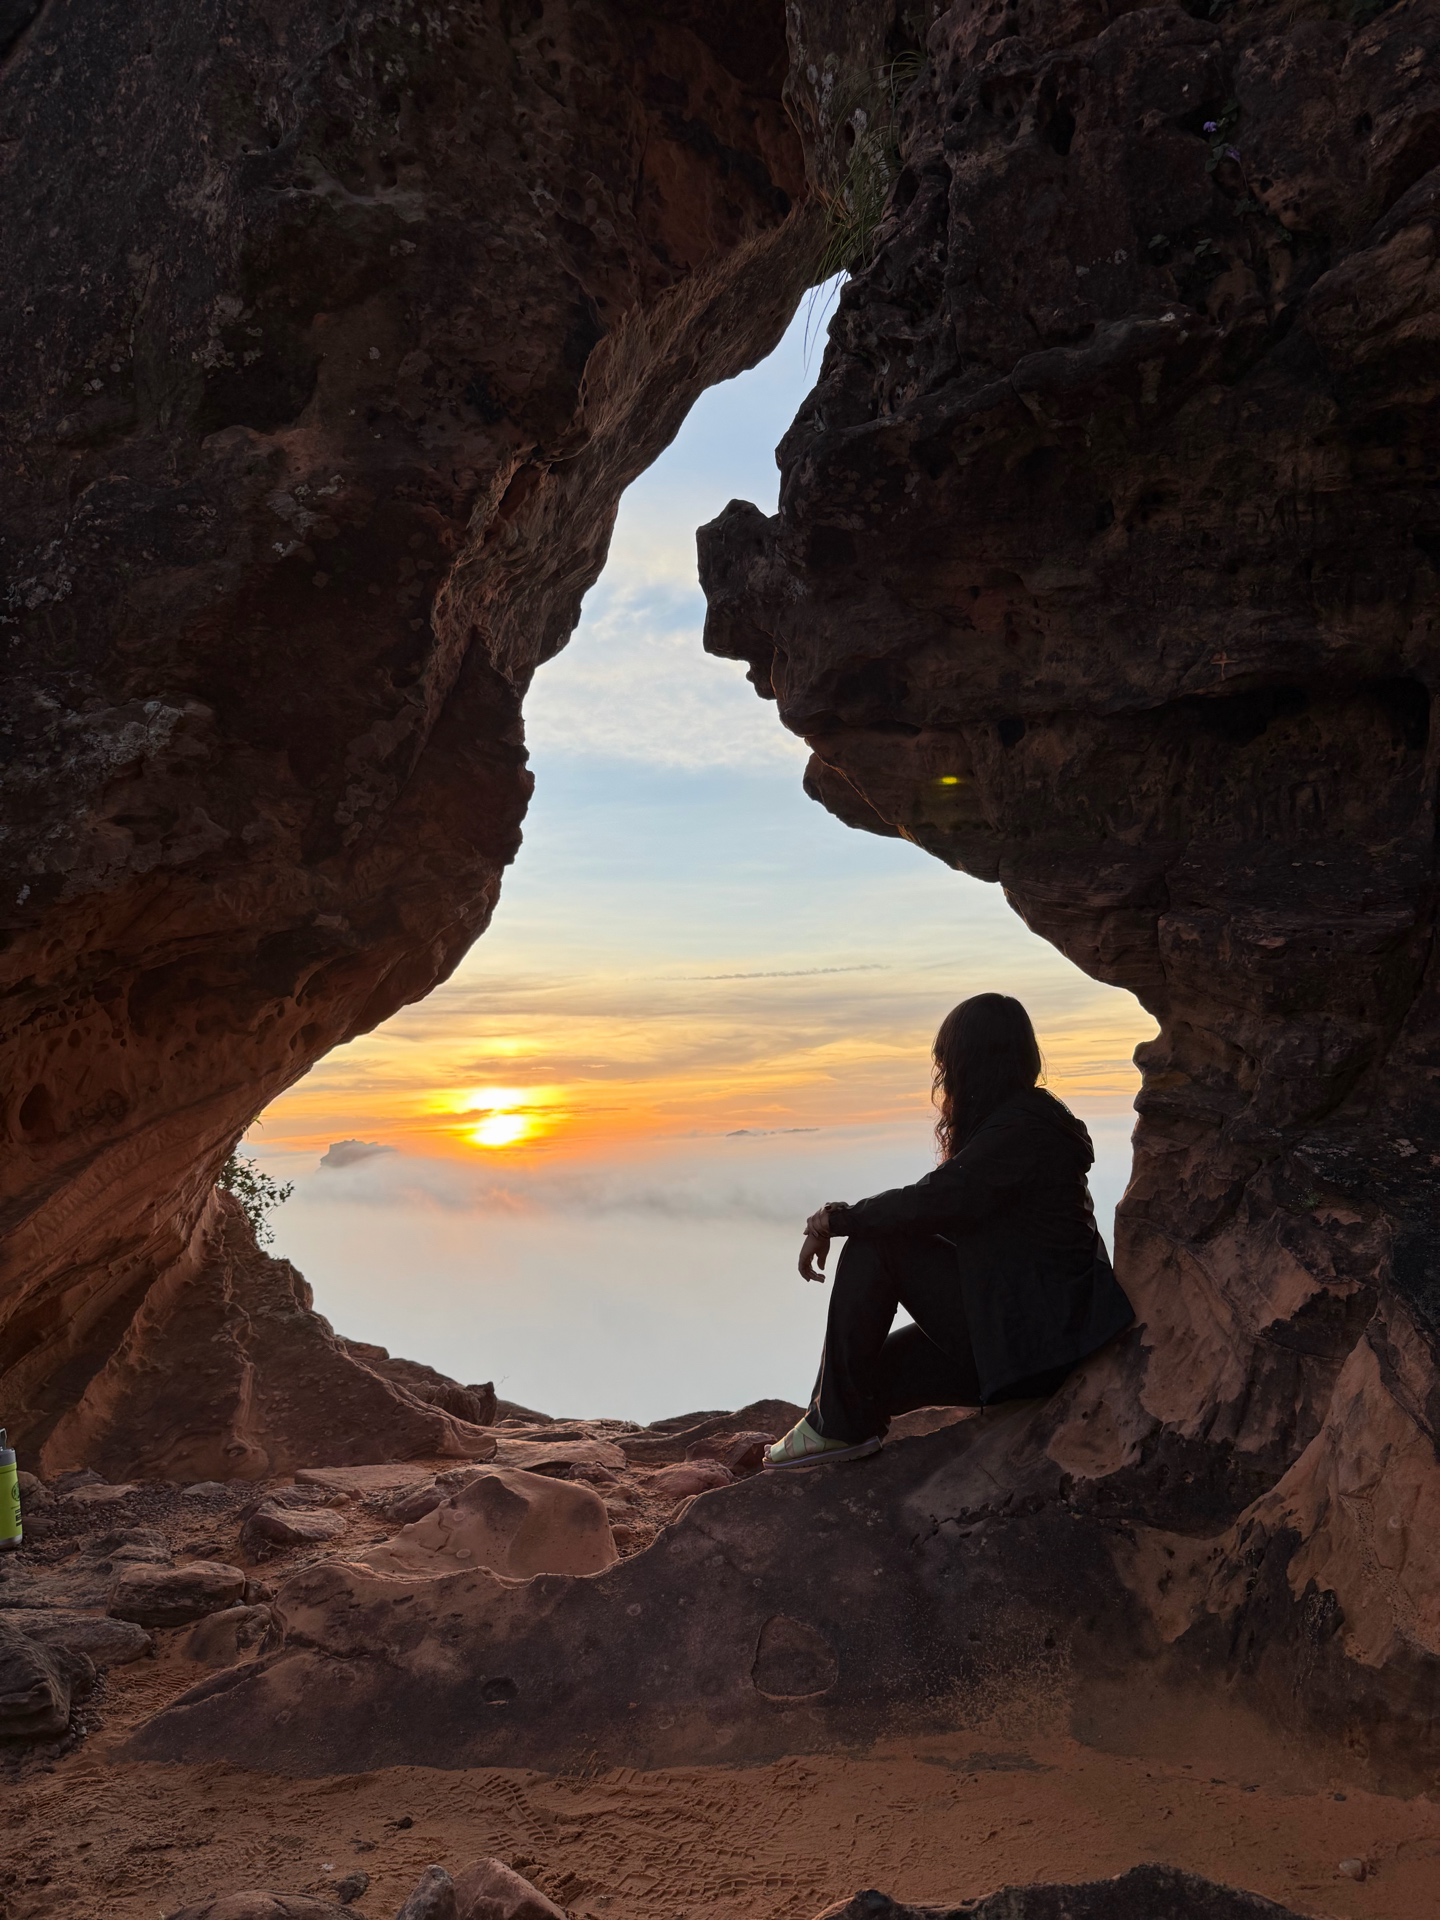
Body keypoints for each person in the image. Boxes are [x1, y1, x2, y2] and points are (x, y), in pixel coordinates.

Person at [764, 993, 1134, 1469]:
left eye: (947, 1061)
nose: (944, 1076)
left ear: (969, 1063)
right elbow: (951, 1213)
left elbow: (931, 1201)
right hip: (1032, 1337)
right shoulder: (1026, 1125)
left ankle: (835, 1429)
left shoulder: (1019, 1133)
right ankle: (835, 1421)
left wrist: (836, 1220)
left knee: (878, 1242)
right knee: (862, 1381)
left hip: (1031, 1348)